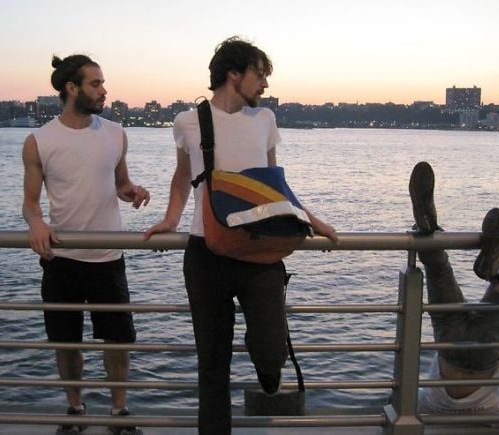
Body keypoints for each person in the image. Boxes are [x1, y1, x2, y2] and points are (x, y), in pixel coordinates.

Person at [144, 36, 338, 434]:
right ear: (234, 74)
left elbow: (274, 185)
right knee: (212, 363)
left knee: (271, 350)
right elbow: (183, 177)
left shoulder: (264, 119)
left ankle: (265, 359)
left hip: (260, 248)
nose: (265, 84)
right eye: (260, 75)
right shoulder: (188, 121)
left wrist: (309, 218)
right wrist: (171, 218)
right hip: (206, 251)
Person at [22, 54, 149, 435]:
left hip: (108, 258)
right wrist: (37, 222)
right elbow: (30, 203)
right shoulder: (38, 141)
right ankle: (75, 409)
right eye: (96, 84)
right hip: (61, 258)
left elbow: (120, 184)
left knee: (118, 340)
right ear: (71, 88)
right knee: (66, 341)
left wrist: (133, 191)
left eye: (103, 83)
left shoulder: (115, 133)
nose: (104, 90)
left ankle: (118, 413)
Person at [409, 161, 499, 415]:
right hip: (448, 345)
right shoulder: (427, 407)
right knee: (438, 269)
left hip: (486, 350)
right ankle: (426, 232)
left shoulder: (495, 410)